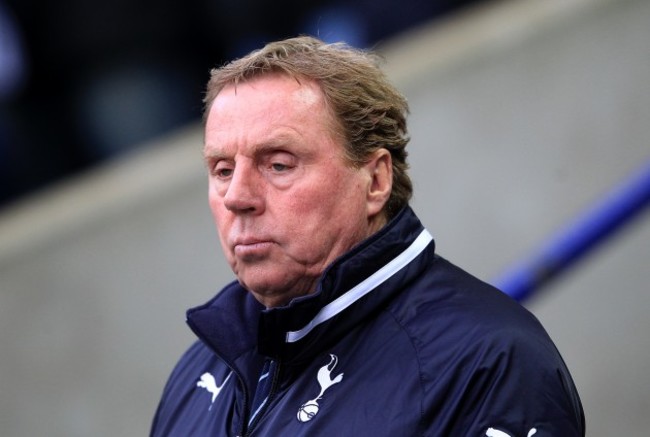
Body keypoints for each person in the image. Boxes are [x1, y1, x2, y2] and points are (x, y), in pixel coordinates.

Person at [151, 36, 585, 436]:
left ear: (375, 180)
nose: (237, 197)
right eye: (222, 170)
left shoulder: (488, 361)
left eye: (278, 164)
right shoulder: (200, 371)